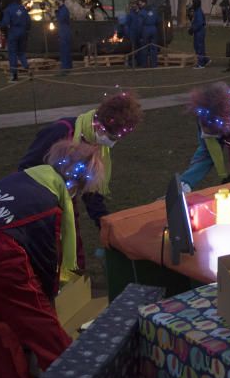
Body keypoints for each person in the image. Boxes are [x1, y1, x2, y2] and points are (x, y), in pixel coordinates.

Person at [0, 139, 105, 378]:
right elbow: (47, 261)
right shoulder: (47, 203)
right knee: (48, 336)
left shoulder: (23, 178)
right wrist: (48, 302)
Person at [17, 92, 143, 268]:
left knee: (72, 248)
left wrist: (104, 224)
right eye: (113, 137)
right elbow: (26, 168)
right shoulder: (62, 131)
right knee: (46, 254)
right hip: (39, 204)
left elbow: (91, 189)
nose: (113, 143)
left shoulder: (96, 144)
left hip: (67, 202)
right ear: (100, 126)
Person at [0, 0, 31, 81]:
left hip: (13, 33)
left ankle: (14, 75)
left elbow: (5, 23)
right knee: (21, 53)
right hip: (23, 33)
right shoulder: (23, 9)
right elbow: (28, 21)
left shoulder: (8, 9)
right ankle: (28, 69)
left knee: (12, 54)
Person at [137, 0, 160, 68]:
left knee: (144, 47)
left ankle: (144, 64)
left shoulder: (142, 12)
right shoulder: (154, 10)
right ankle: (154, 64)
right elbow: (158, 20)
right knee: (154, 48)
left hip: (145, 29)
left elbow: (139, 24)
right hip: (154, 29)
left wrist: (139, 35)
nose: (139, 4)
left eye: (140, 3)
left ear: (144, 3)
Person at [188, 0, 210, 69]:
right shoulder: (197, 11)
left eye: (193, 4)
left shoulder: (198, 12)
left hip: (199, 32)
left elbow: (199, 23)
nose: (192, 5)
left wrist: (192, 29)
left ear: (196, 4)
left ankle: (200, 64)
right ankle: (205, 60)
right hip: (199, 31)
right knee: (199, 46)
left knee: (199, 47)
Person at [55, 0, 72, 75]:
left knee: (64, 50)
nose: (56, 2)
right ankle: (68, 67)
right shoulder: (62, 9)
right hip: (64, 31)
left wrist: (56, 12)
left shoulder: (63, 10)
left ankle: (65, 68)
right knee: (66, 50)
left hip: (64, 31)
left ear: (60, 0)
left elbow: (60, 19)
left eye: (57, 0)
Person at [127, 1, 143, 67]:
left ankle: (139, 62)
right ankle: (131, 63)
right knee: (133, 48)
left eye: (135, 5)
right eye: (133, 5)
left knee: (140, 48)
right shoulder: (130, 14)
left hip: (140, 33)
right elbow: (128, 24)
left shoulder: (140, 13)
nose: (134, 6)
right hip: (133, 34)